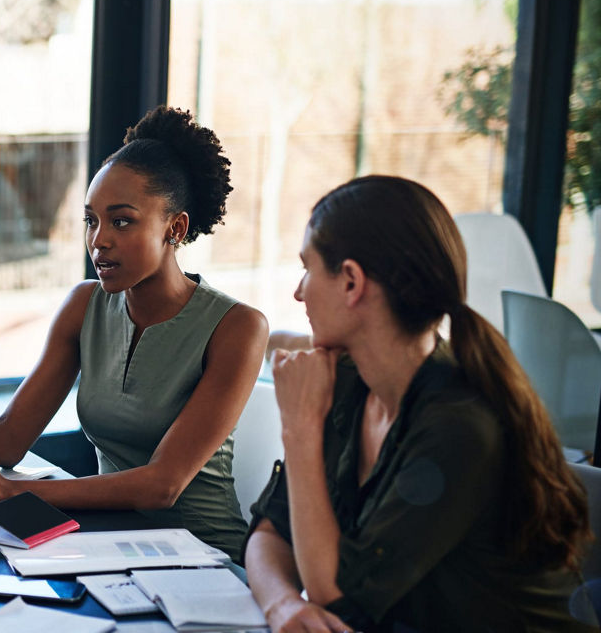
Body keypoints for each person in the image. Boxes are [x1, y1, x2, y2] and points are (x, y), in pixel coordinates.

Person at [0, 106, 269, 561]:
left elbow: (161, 486)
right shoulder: (85, 306)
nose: (99, 240)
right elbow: (9, 439)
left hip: (206, 561)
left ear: (175, 228)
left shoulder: (237, 327)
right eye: (91, 220)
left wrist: (13, 493)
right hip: (110, 549)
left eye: (121, 221)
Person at [245, 176, 593, 632]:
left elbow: (343, 596)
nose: (298, 291)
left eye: (307, 268)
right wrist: (284, 606)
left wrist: (300, 429)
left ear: (351, 281)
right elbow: (270, 532)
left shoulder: (459, 425)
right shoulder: (345, 380)